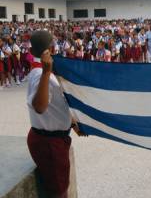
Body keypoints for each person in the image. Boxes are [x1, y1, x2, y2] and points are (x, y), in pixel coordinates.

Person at [27, 30, 85, 198]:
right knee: (58, 191)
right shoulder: (40, 74)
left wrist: (72, 124)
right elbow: (39, 106)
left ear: (31, 52)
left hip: (54, 139)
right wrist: (46, 72)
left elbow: (58, 104)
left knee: (60, 185)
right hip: (48, 143)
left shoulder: (48, 72)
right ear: (52, 49)